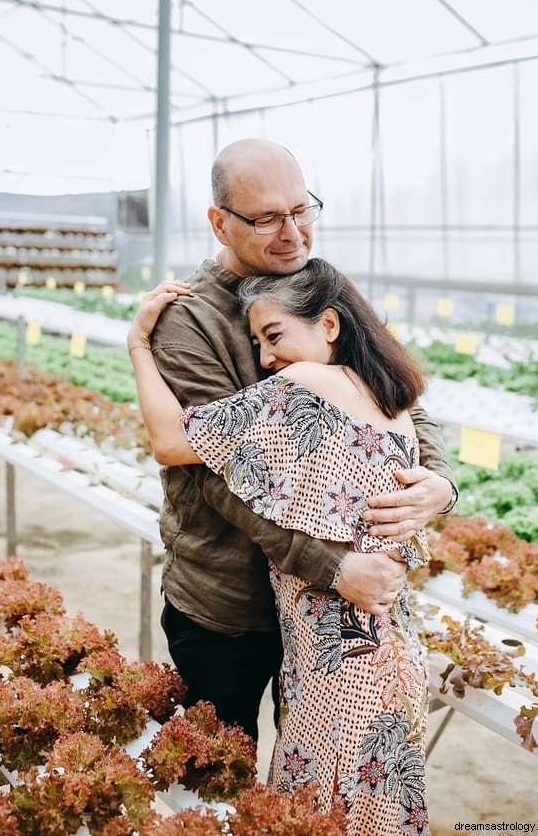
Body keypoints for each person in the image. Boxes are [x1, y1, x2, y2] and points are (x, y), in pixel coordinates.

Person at [143, 138, 456, 741]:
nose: (291, 233)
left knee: (314, 788)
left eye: (301, 210)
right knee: (222, 779)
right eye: (265, 218)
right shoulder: (189, 320)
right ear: (219, 223)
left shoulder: (317, 287)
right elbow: (218, 477)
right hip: (232, 604)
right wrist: (333, 567)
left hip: (330, 614)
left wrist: (439, 482)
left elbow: (394, 390)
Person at [127, 258, 431, 835]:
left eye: (274, 336)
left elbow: (170, 441)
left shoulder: (309, 386)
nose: (266, 359)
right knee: (372, 816)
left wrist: (139, 344)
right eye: (259, 342)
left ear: (331, 327)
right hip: (387, 648)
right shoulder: (390, 400)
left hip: (337, 660)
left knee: (314, 817)